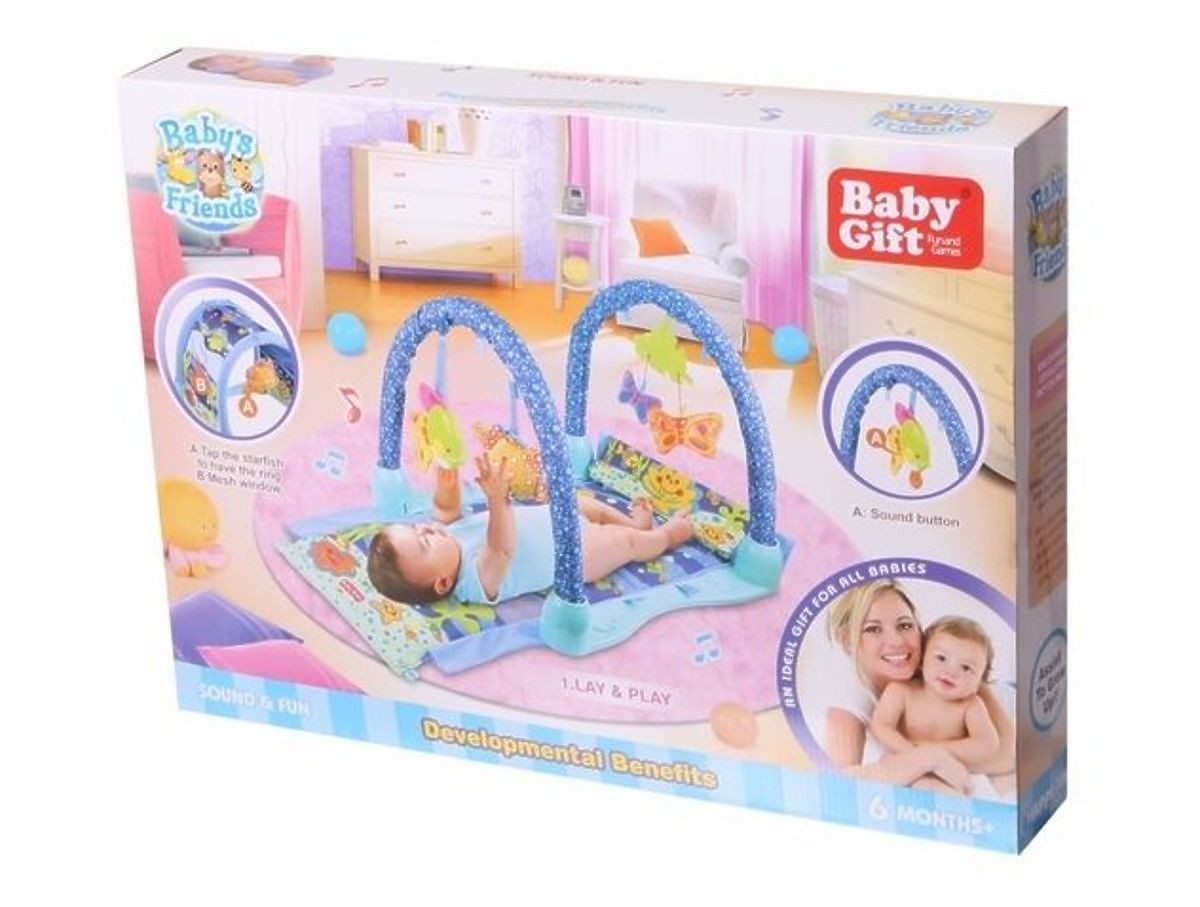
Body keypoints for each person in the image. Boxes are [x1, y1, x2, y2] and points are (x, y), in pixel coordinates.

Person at [368, 456, 693, 605]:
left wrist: (447, 483)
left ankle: (635, 522)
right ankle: (666, 536)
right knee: (624, 542)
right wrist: (497, 501)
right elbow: (501, 548)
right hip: (575, 556)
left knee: (584, 503)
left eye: (417, 528)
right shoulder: (475, 581)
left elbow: (445, 508)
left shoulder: (448, 537)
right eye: (423, 543)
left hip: (557, 520)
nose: (426, 530)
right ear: (442, 582)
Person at [823, 579, 1015, 795]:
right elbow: (840, 787)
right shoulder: (850, 700)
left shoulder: (954, 666)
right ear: (847, 640)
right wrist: (925, 758)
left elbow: (1008, 755)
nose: (897, 641)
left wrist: (926, 755)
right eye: (873, 629)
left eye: (905, 625)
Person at [869, 616, 1001, 794]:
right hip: (902, 759)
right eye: (941, 658)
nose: (951, 671)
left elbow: (987, 745)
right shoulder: (901, 691)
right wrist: (915, 754)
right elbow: (881, 725)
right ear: (922, 660)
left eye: (966, 668)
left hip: (950, 769)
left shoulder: (970, 706)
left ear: (978, 683)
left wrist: (935, 752)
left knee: (971, 789)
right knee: (881, 774)